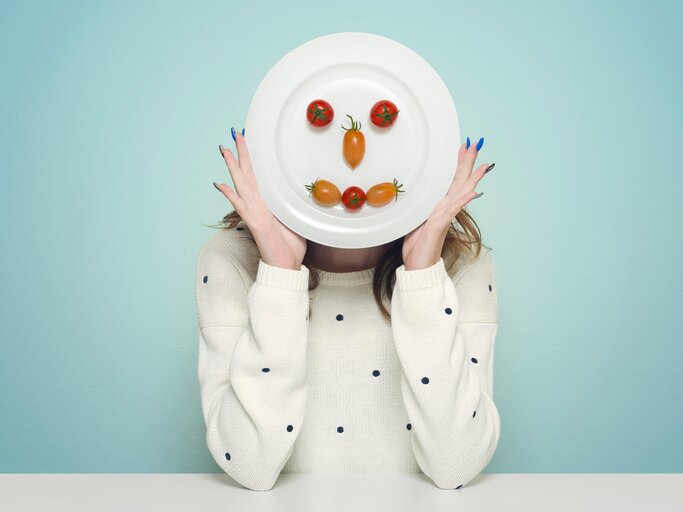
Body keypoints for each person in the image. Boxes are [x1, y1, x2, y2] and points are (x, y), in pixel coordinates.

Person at [195, 129, 500, 491]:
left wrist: (423, 278)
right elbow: (249, 467)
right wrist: (279, 274)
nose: (351, 164)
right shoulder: (229, 260)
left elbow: (456, 466)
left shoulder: (463, 263)